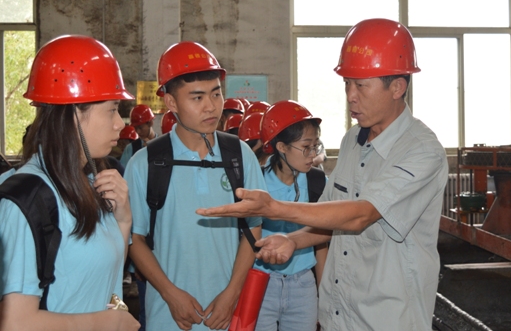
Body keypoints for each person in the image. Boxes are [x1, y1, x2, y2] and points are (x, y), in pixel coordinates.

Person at [197, 18, 449, 330]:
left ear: (397, 86)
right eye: (347, 84)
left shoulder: (422, 151)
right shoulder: (353, 141)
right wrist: (293, 240)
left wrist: (274, 208)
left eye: (360, 85)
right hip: (340, 317)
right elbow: (331, 219)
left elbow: (361, 215)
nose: (350, 95)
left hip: (387, 319)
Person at [0, 35, 140, 330]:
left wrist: (123, 220)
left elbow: (104, 278)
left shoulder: (90, 182)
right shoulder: (29, 199)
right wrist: (106, 324)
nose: (120, 124)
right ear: (74, 113)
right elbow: (16, 323)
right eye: (112, 109)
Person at [125, 41, 267, 331]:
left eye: (216, 93)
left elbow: (253, 228)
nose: (211, 106)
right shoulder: (146, 163)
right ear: (171, 103)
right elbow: (134, 239)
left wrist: (232, 294)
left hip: (227, 314)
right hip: (169, 316)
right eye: (197, 97)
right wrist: (170, 294)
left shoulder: (239, 156)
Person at [254, 100, 328, 331]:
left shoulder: (317, 182)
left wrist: (323, 293)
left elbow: (321, 242)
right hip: (260, 282)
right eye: (306, 147)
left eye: (316, 146)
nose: (312, 154)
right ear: (281, 147)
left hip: (303, 285)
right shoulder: (256, 183)